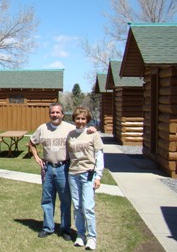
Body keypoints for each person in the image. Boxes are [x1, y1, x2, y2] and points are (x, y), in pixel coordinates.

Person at [29, 102, 96, 241]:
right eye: (52, 112)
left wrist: (92, 129)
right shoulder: (43, 128)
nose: (55, 115)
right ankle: (48, 227)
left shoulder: (70, 129)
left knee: (65, 200)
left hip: (64, 168)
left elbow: (83, 130)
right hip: (47, 168)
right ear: (49, 114)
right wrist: (36, 156)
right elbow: (31, 142)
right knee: (47, 199)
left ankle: (65, 229)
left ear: (62, 114)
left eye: (57, 112)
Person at [66, 106, 104, 250]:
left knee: (88, 207)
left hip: (88, 173)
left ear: (87, 119)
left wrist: (98, 176)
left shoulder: (93, 134)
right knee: (77, 207)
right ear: (74, 119)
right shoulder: (70, 135)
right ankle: (80, 235)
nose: (80, 121)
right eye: (77, 118)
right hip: (73, 173)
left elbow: (99, 155)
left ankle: (92, 237)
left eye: (83, 118)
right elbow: (70, 155)